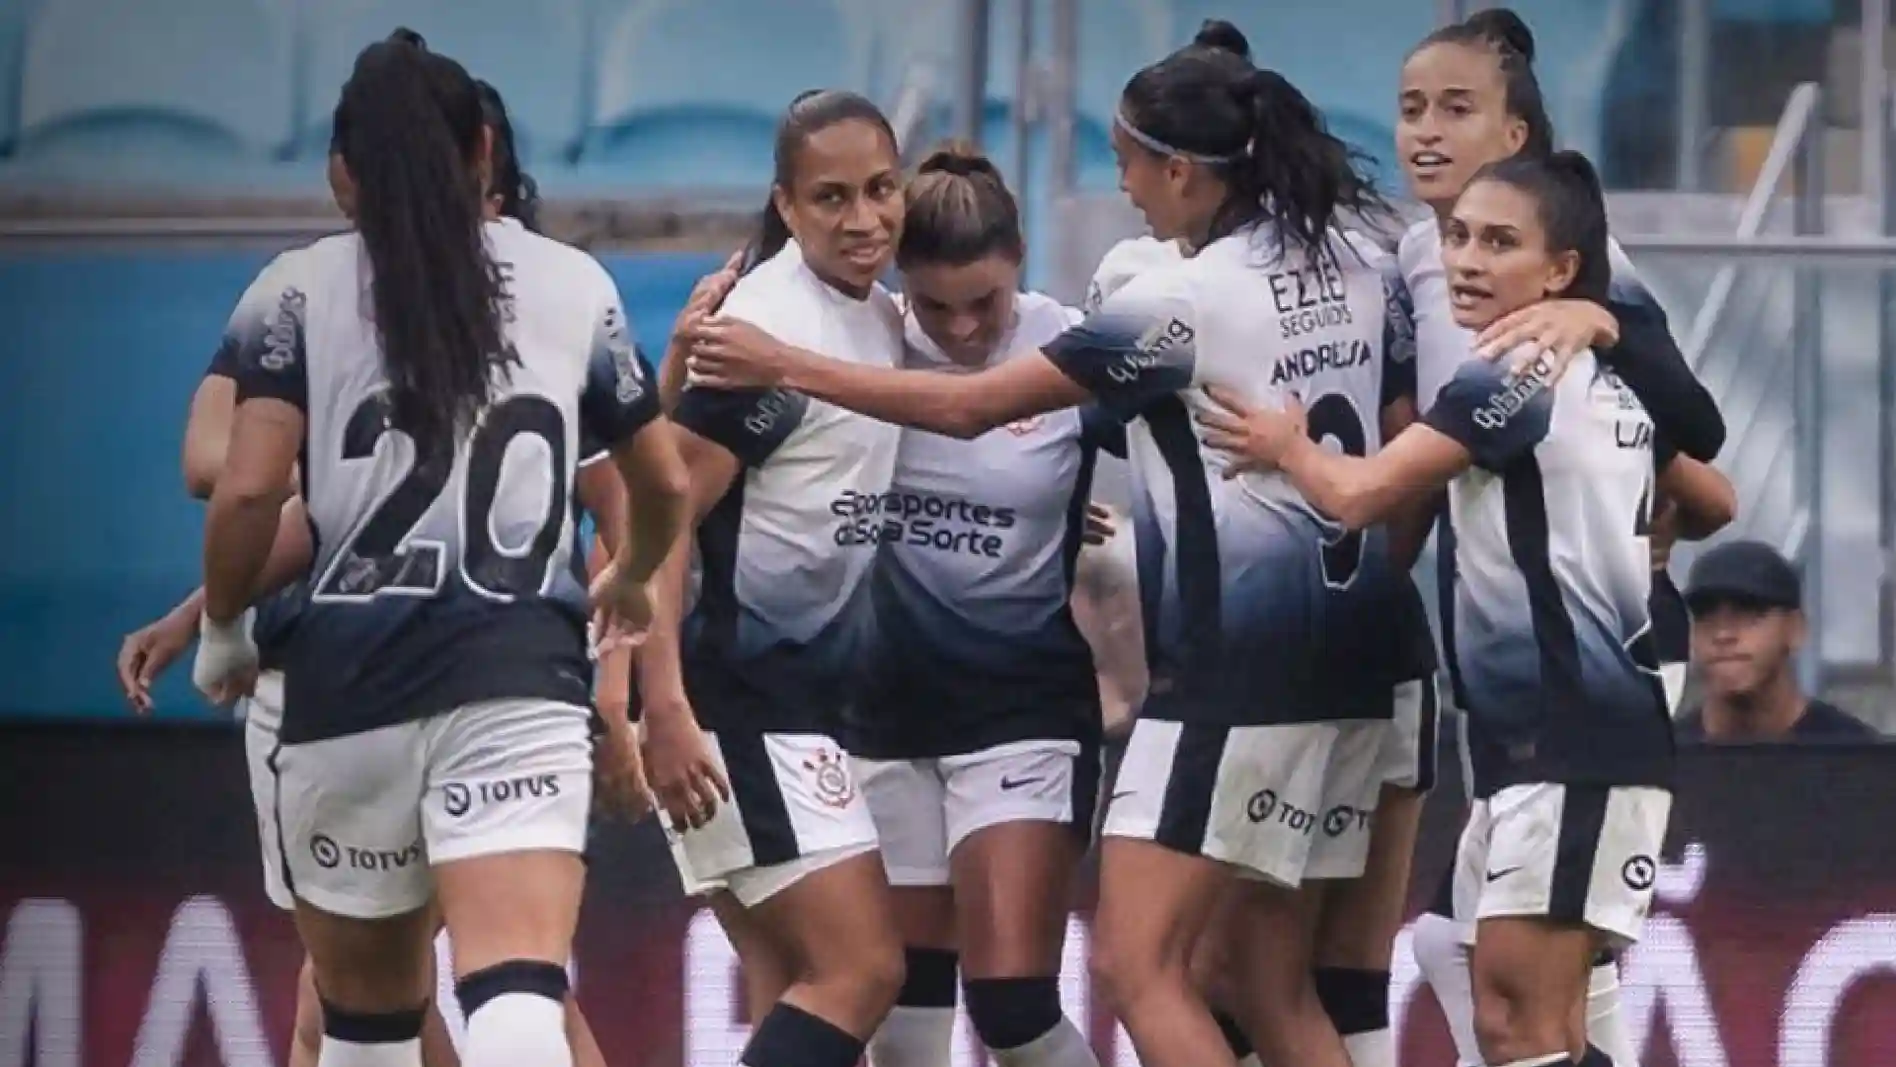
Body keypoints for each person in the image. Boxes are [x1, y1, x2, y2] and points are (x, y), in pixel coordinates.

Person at [682, 27, 1430, 1067]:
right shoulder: (1352, 257)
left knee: (1129, 969)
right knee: (1266, 976)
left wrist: (781, 362)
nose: (1119, 184)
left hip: (1224, 678)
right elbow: (1402, 419)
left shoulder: (1165, 302)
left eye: (1126, 160)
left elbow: (979, 409)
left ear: (1179, 168)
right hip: (1351, 663)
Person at [188, 34, 688, 1067]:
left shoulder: (292, 290)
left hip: (343, 693)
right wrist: (632, 580)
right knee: (516, 997)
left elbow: (238, 485)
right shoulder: (569, 282)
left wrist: (225, 628)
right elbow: (664, 481)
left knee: (364, 1030)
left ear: (341, 173)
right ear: (485, 151)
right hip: (514, 680)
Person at [1193, 149, 1723, 1067]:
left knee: (1519, 1027)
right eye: (1458, 237)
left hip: (1573, 738)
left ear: (1560, 269)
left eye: (1500, 242)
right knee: (1518, 1013)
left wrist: (1286, 444)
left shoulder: (1507, 375)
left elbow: (1359, 495)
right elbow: (1714, 498)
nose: (1467, 260)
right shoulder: (1601, 367)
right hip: (1565, 739)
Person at [1381, 12, 1728, 1067]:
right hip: (1505, 654)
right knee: (1474, 950)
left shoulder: (1583, 274)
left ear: (1517, 134)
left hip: (1600, 648)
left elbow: (1698, 442)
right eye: (1410, 110)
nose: (1428, 133)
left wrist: (1604, 320)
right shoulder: (1417, 257)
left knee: (1510, 966)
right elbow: (1421, 443)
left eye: (1458, 109)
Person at [634, 88, 908, 1067]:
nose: (865, 217)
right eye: (831, 197)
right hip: (746, 711)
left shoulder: (877, 315)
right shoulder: (763, 339)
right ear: (786, 207)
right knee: (865, 970)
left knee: (789, 988)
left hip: (804, 710)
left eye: (882, 188)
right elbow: (656, 519)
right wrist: (659, 705)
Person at [1675, 540, 1878, 741]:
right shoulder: (1659, 761)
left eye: (1748, 611)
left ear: (1796, 629)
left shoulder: (1859, 756)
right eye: (1704, 615)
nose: (1722, 634)